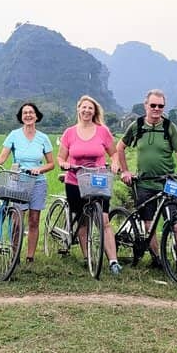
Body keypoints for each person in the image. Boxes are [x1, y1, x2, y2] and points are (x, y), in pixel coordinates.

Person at [115, 89, 177, 261]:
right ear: (146, 105)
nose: (156, 109)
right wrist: (125, 171)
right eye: (153, 105)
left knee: (176, 222)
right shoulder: (137, 125)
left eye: (161, 106)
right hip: (145, 182)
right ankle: (158, 258)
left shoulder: (169, 127)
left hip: (169, 181)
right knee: (148, 224)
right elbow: (120, 147)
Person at [57, 95, 122, 275]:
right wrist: (64, 164)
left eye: (90, 108)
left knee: (104, 219)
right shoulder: (69, 133)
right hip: (75, 180)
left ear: (95, 112)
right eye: (84, 107)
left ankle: (113, 261)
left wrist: (115, 163)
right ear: (78, 109)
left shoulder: (103, 131)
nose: (87, 111)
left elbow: (114, 153)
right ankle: (88, 257)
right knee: (82, 220)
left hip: (98, 180)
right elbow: (61, 157)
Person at [0, 102, 55, 263]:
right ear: (21, 117)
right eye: (25, 113)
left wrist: (40, 170)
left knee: (34, 219)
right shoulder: (14, 135)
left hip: (37, 182)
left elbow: (51, 163)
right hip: (18, 181)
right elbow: (2, 158)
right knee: (17, 220)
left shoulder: (43, 138)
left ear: (36, 116)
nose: (28, 115)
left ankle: (30, 256)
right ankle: (15, 255)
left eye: (31, 112)